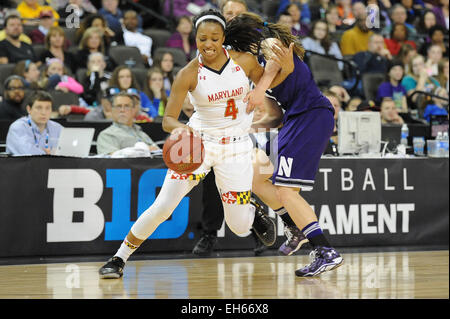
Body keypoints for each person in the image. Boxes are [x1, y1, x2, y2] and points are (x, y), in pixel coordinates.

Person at [98, 9, 294, 278]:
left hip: (236, 146)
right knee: (163, 206)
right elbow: (168, 120)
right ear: (195, 38)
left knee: (238, 227)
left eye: (215, 38)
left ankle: (253, 208)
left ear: (224, 37)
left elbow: (270, 81)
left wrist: (272, 74)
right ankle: (119, 258)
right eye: (203, 39)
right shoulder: (188, 73)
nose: (209, 44)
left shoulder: (245, 61)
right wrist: (183, 131)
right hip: (198, 144)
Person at [227, 13, 344, 275]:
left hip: (310, 116)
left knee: (287, 191)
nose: (233, 50)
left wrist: (258, 90)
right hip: (296, 117)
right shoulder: (261, 48)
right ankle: (294, 226)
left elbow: (277, 67)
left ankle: (326, 251)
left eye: (233, 45)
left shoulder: (269, 44)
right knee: (257, 177)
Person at [96, 92, 160, 156]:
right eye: (118, 106)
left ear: (133, 110)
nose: (122, 110)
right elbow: (111, 160)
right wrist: (143, 150)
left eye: (127, 106)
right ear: (112, 110)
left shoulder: (141, 133)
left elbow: (158, 153)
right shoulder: (107, 135)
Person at [5, 90, 63, 156]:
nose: (43, 112)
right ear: (29, 109)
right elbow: (27, 153)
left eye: (47, 108)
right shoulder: (18, 127)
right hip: (24, 165)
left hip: (52, 165)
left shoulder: (58, 128)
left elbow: (69, 151)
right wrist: (49, 154)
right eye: (39, 108)